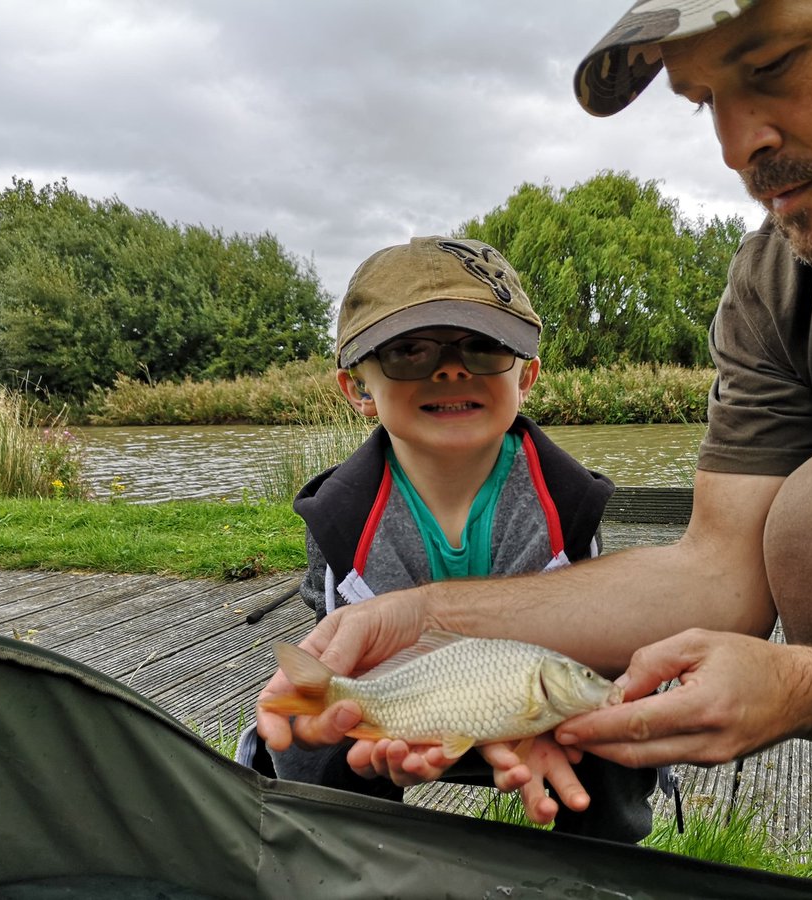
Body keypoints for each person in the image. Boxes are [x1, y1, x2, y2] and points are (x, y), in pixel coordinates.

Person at [258, 2, 812, 896]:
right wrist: (423, 620)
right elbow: (717, 573)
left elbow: (798, 674)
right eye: (703, 100)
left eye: (772, 64)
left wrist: (808, 688)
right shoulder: (784, 275)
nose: (735, 148)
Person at [247, 234, 658, 843]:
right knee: (305, 737)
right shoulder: (338, 516)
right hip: (402, 706)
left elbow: (594, 637)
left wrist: (544, 715)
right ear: (358, 390)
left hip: (534, 713)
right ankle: (343, 853)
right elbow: (341, 648)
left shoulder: (569, 503)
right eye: (408, 351)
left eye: (483, 346)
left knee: (615, 709)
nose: (450, 368)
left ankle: (603, 859)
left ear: (527, 377)